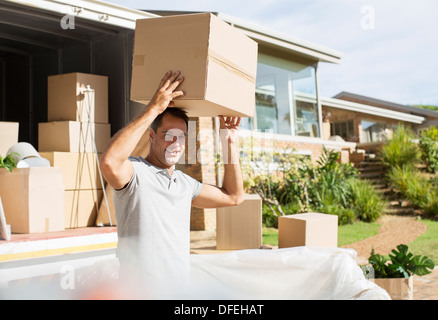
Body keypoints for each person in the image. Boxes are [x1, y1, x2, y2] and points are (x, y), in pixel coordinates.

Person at [100, 71, 244, 294]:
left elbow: (234, 196)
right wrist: (154, 109)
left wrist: (228, 143)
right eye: (168, 134)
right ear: (151, 136)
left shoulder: (184, 184)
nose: (176, 142)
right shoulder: (136, 173)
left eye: (182, 136)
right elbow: (110, 161)